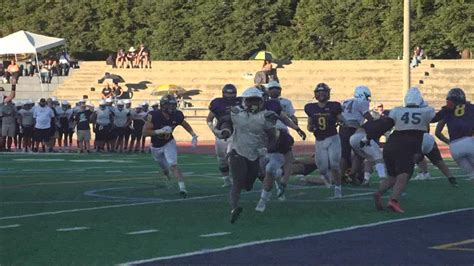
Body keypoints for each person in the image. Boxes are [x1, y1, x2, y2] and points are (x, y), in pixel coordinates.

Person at [373, 87, 435, 213]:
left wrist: (369, 136)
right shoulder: (426, 111)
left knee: (392, 177)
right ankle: (393, 200)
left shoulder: (397, 110)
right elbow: (433, 119)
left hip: (390, 144)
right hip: (405, 146)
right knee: (404, 174)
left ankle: (379, 193)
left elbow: (386, 125)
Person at [227, 87, 277, 223]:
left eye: (256, 100)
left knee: (248, 185)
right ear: (244, 101)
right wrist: (223, 130)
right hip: (237, 151)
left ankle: (235, 203)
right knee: (237, 183)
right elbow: (224, 120)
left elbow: (273, 138)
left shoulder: (266, 117)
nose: (253, 104)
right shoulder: (237, 113)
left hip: (255, 154)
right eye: (250, 101)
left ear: (261, 102)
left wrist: (266, 149)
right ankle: (234, 208)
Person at [142, 94, 198, 198]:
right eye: (169, 105)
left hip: (169, 142)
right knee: (164, 167)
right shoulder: (153, 115)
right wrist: (159, 131)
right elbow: (145, 132)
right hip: (156, 146)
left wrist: (193, 134)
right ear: (163, 106)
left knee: (173, 164)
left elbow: (183, 123)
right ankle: (167, 175)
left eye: (173, 105)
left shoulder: (177, 115)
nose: (172, 107)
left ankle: (182, 189)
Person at [304, 83, 346, 198]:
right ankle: (328, 180)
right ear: (315, 94)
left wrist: (342, 121)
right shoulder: (310, 108)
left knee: (334, 164)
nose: (321, 95)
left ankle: (338, 188)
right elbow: (309, 125)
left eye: (323, 93)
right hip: (319, 140)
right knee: (322, 169)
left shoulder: (334, 106)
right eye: (319, 93)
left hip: (333, 138)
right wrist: (311, 128)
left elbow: (342, 119)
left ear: (327, 94)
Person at [433, 88, 474, 181]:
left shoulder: (446, 111)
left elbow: (437, 132)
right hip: (469, 142)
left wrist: (450, 142)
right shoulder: (471, 108)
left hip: (454, 147)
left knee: (472, 174)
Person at [207, 84, 242, 187]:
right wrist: (214, 130)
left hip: (237, 131)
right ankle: (226, 180)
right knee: (222, 160)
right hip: (222, 132)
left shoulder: (241, 101)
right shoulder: (217, 103)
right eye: (228, 93)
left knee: (233, 156)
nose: (230, 96)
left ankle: (236, 179)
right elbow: (209, 119)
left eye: (232, 93)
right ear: (223, 93)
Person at [340, 86, 374, 184]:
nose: (368, 99)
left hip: (343, 128)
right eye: (367, 96)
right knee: (359, 153)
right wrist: (376, 122)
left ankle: (341, 177)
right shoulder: (362, 102)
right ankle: (352, 175)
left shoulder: (346, 101)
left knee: (344, 155)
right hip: (354, 128)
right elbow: (367, 116)